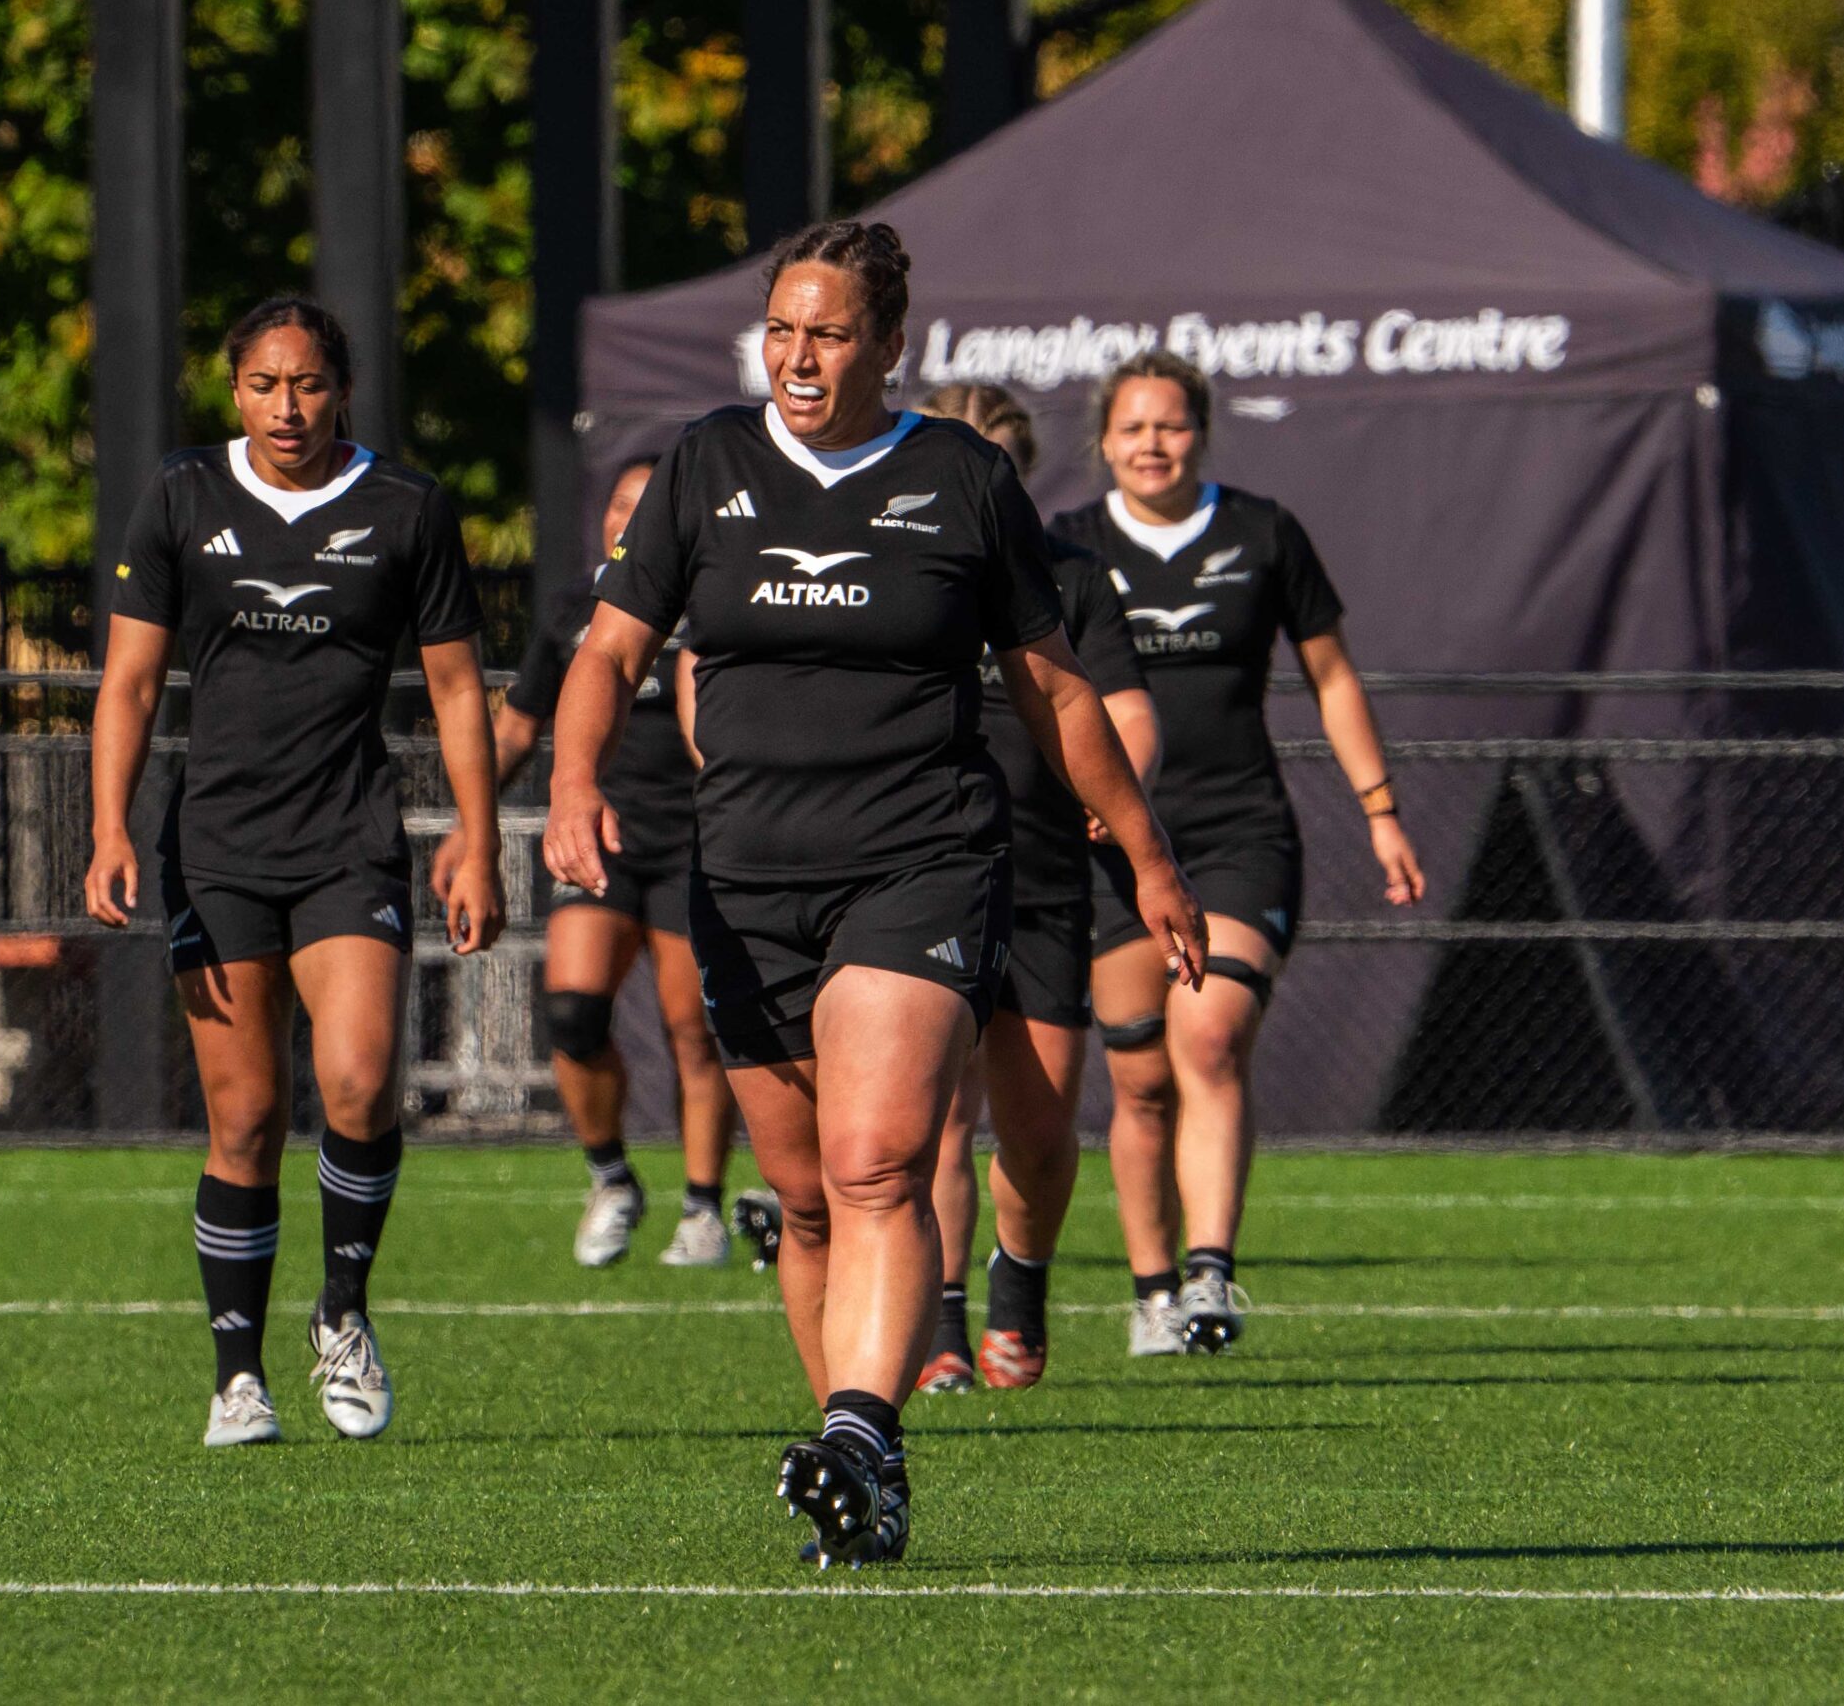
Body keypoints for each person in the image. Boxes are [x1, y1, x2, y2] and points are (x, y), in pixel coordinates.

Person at [542, 221, 1202, 1569]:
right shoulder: (704, 465)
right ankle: (868, 1462)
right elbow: (609, 648)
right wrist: (568, 781)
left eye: (827, 332)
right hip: (746, 877)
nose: (797, 355)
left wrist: (1147, 854)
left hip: (919, 859)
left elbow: (1055, 689)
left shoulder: (960, 479)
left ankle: (856, 1426)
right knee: (805, 1200)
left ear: (888, 346)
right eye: (781, 329)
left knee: (881, 1158)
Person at [86, 296, 505, 1447]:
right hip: (215, 846)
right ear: (235, 392)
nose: (288, 406)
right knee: (249, 1115)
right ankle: (237, 1376)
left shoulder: (406, 506)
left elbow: (461, 687)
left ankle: (344, 1315)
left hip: (348, 840)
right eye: (267, 384)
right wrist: (110, 828)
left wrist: (477, 834)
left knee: (363, 1083)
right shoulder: (181, 495)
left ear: (343, 390)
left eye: (309, 384)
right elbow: (127, 683)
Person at [1050, 351, 1425, 1357]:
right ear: (1103, 440)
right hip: (1115, 845)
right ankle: (1150, 1291)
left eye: (1169, 426)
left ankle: (1210, 1275)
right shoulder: (1068, 548)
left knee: (1208, 1036)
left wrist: (1380, 811)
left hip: (1237, 831)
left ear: (1200, 431)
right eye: (1131, 428)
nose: (1151, 445)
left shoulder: (1262, 532)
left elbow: (1333, 677)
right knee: (1136, 1079)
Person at [911, 383, 1159, 1393]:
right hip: (924, 868)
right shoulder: (907, 566)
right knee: (932, 1119)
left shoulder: (1071, 578)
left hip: (1045, 874)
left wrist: (1118, 794)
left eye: (998, 456)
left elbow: (1122, 710)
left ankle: (1020, 1277)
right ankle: (938, 1323)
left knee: (1042, 1130)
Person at [432, 460, 737, 1269]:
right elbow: (517, 727)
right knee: (572, 1014)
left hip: (693, 844)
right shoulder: (573, 612)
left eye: (648, 509)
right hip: (595, 841)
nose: (629, 520)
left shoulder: (709, 602)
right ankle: (612, 1177)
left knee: (693, 1030)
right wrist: (471, 825)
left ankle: (704, 1207)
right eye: (619, 505)